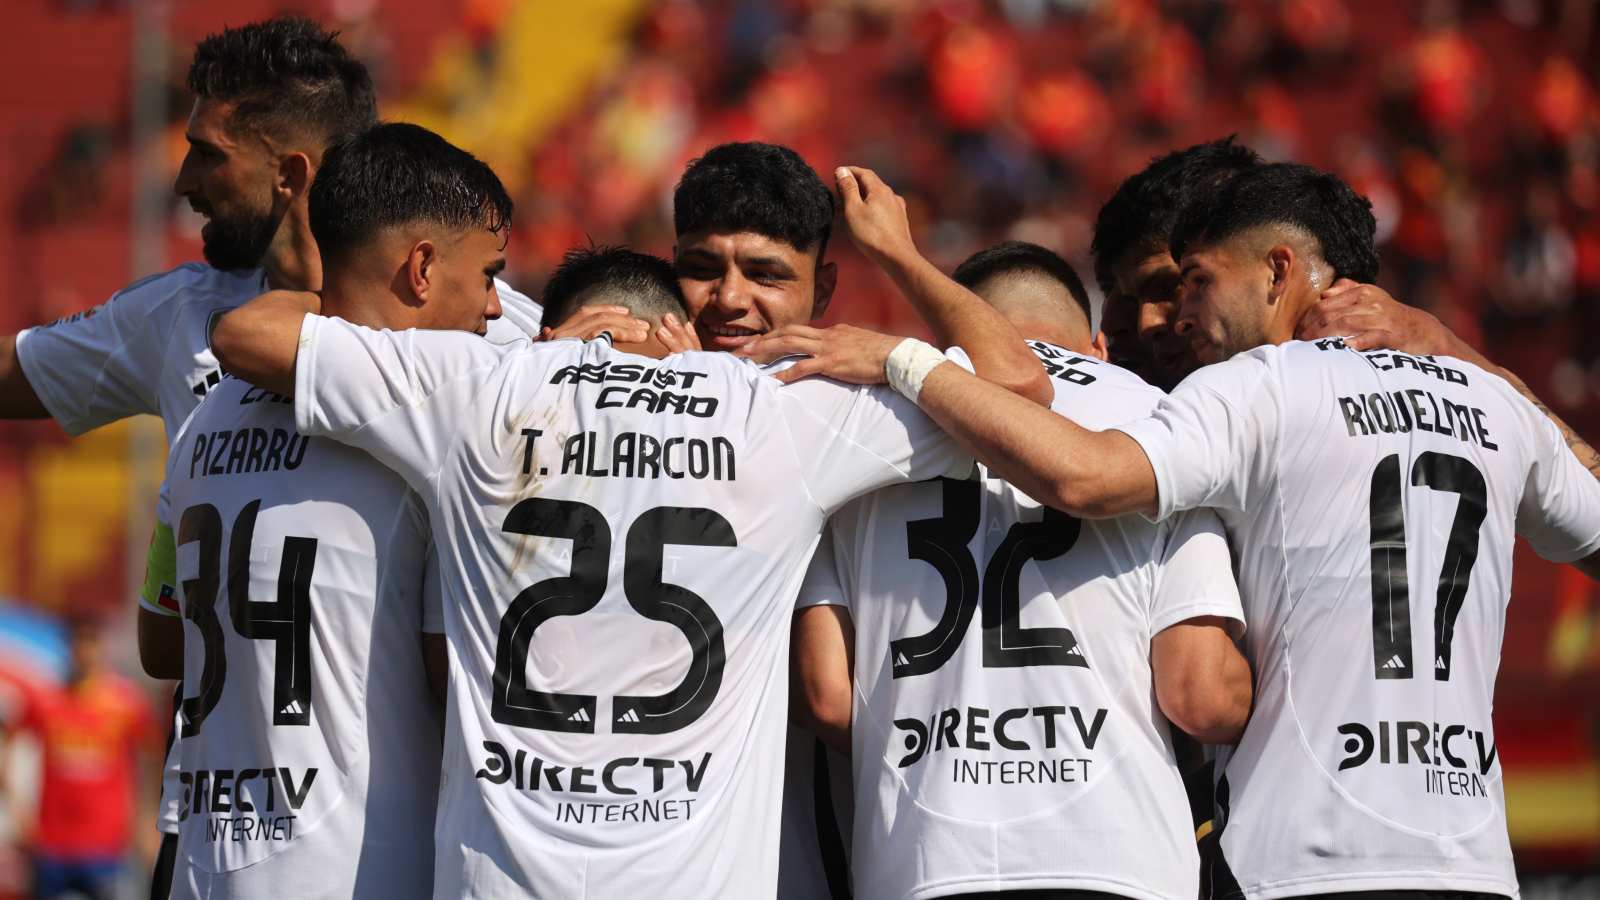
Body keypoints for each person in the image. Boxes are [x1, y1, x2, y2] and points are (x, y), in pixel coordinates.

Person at [752, 161, 1600, 900]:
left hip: (1288, 859)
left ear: (1277, 271)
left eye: (1196, 281)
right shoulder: (1494, 404)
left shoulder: (1247, 392)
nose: (1176, 317)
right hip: (1471, 861)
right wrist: (1465, 353)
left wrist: (909, 362)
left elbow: (1083, 477)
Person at [793, 240, 1251, 900]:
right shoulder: (1158, 420)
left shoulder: (866, 428)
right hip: (1123, 858)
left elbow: (827, 694)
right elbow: (1198, 693)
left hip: (924, 860)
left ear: (947, 338)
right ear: (1097, 344)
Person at [136, 121, 523, 899]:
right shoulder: (446, 421)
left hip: (207, 860)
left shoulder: (206, 411)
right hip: (359, 865)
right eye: (488, 275)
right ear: (420, 268)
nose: (492, 309)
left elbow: (160, 639)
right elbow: (453, 671)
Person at [3, 619, 159, 900]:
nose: (84, 651)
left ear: (101, 648)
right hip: (51, 842)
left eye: (91, 642)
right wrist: (17, 807)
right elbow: (11, 743)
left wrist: (147, 819)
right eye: (77, 643)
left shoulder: (126, 702)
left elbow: (152, 757)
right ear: (68, 647)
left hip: (107, 844)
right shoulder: (47, 699)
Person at [1089, 138, 1261, 390]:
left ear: (1274, 273)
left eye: (1166, 286)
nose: (1145, 324)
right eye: (1111, 291)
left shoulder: (1332, 372)